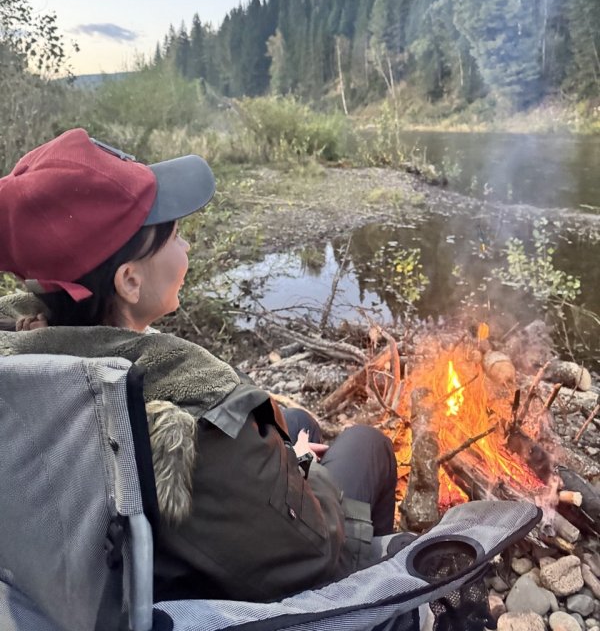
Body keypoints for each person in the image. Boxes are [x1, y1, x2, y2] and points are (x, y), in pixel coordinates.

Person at [0, 128, 398, 604]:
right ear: (129, 281)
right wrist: (304, 466)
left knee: (296, 420)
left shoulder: (30, 366)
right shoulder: (190, 420)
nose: (186, 247)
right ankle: (377, 601)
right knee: (368, 443)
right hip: (254, 587)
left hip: (103, 574)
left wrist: (287, 458)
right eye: (175, 235)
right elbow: (314, 550)